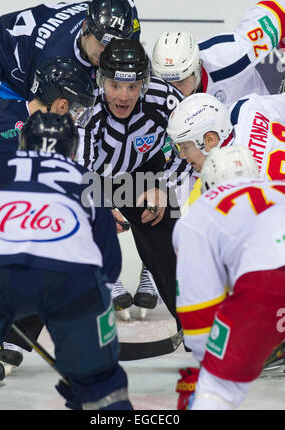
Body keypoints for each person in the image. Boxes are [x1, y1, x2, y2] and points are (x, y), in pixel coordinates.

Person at [0, 110, 132, 410]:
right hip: (71, 282)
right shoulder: (87, 180)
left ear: (23, 143)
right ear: (73, 149)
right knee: (100, 386)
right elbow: (109, 266)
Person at [0, 56, 96, 382]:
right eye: (76, 108)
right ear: (61, 105)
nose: (77, 117)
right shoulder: (46, 145)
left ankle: (1, 339)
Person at [173, 145, 285, 410]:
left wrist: (209, 366)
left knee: (217, 389)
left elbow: (199, 308)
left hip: (268, 280)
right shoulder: (278, 186)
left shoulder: (200, 212)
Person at [84, 37, 187, 327]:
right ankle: (10, 337)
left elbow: (189, 146)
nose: (123, 96)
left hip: (144, 177)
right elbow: (75, 167)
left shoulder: (164, 99)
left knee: (169, 238)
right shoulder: (85, 102)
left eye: (132, 86)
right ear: (101, 79)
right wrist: (99, 205)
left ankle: (195, 326)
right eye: (115, 85)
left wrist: (164, 187)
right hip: (94, 178)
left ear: (144, 82)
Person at [0, 0, 138, 100]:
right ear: (85, 28)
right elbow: (42, 117)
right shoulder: (54, 61)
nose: (108, 52)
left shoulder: (123, 17)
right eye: (102, 42)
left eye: (116, 43)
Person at [152, 0, 285, 105]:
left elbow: (277, 12)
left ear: (197, 67)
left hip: (257, 124)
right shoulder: (152, 92)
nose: (173, 91)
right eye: (166, 84)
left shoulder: (231, 56)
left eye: (180, 82)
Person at [166, 91, 285, 184]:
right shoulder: (246, 106)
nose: (182, 155)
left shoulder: (227, 179)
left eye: (184, 147)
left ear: (210, 140)